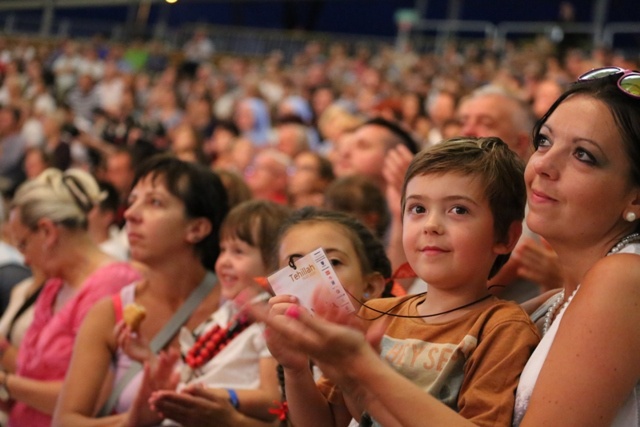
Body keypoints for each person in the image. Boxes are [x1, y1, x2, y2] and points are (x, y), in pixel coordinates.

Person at [263, 137, 541, 426]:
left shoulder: (501, 328)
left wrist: (366, 377)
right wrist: (296, 369)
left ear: (505, 238)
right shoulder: (374, 314)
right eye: (418, 209)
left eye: (458, 210)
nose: (431, 225)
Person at [53, 155, 228, 426]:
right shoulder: (110, 313)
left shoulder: (234, 307)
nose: (131, 214)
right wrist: (135, 420)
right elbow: (65, 422)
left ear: (197, 228)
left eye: (154, 202)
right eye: (132, 200)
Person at [3, 168, 141, 427]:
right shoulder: (56, 283)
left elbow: (90, 399)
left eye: (22, 244)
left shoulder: (110, 285)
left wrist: (6, 385)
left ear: (47, 232)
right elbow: (34, 374)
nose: (25, 259)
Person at [146, 199, 291, 426]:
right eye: (223, 250)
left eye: (238, 252)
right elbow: (194, 373)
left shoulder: (271, 321)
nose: (224, 261)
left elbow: (272, 399)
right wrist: (145, 358)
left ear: (274, 263)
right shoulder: (227, 314)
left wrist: (223, 396)